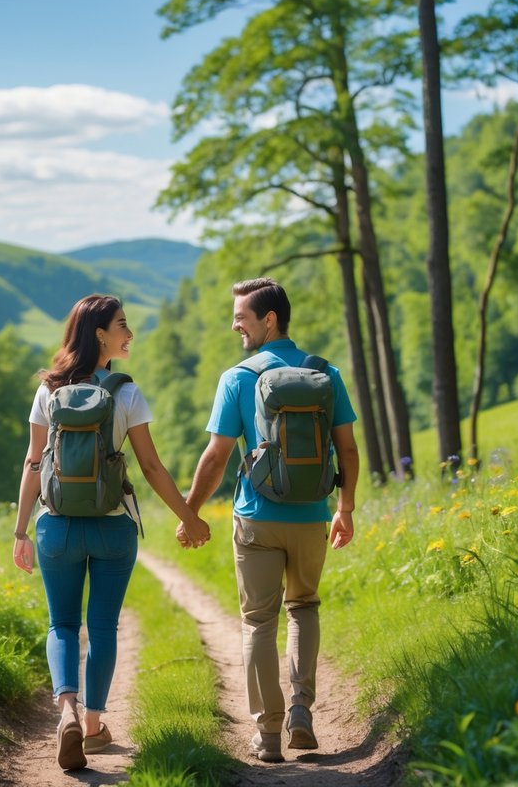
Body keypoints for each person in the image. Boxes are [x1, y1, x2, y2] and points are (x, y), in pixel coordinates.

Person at [12, 293, 211, 771]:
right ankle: (96, 725)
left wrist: (21, 530)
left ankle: (67, 714)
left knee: (62, 625)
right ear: (99, 334)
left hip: (56, 527)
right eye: (122, 324)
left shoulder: (49, 390)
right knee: (101, 628)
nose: (129, 333)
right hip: (111, 528)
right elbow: (151, 466)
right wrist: (189, 516)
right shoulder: (125, 392)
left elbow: (34, 463)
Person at [182, 277, 359, 764]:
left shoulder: (237, 377)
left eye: (241, 316)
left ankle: (269, 733)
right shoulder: (326, 373)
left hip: (256, 517)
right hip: (311, 517)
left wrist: (189, 511)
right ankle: (302, 708)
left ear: (269, 319)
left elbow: (217, 457)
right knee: (303, 608)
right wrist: (344, 508)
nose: (235, 325)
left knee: (258, 621)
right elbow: (347, 449)